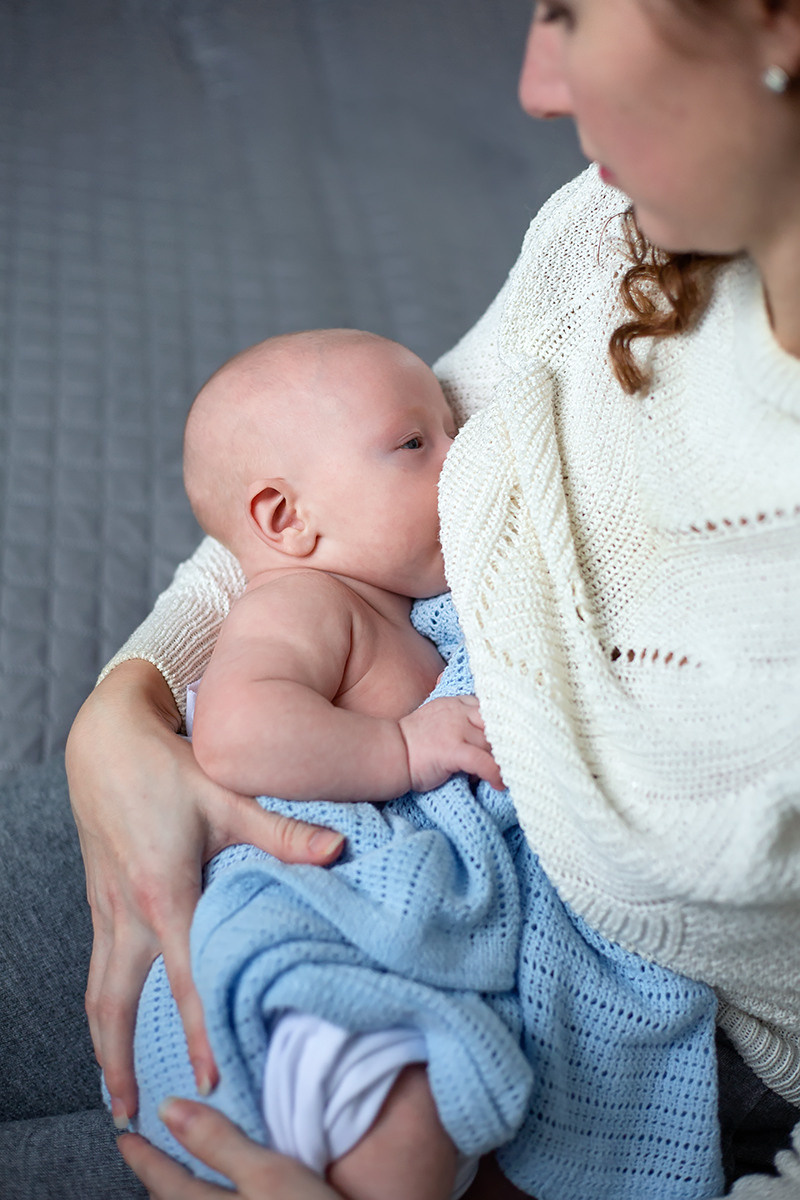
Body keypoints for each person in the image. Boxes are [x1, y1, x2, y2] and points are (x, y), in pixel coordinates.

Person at [64, 0, 800, 1196]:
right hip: (309, 849)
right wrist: (121, 713)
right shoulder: (612, 233)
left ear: (775, 24)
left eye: (569, 12)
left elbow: (355, 491)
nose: (531, 86)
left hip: (571, 1008)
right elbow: (306, 523)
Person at [130, 326, 502, 1200]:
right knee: (402, 1122)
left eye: (451, 427)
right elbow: (237, 735)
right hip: (304, 960)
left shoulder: (379, 604)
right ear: (284, 519)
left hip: (369, 961)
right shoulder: (303, 603)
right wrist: (403, 747)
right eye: (416, 443)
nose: (461, 453)